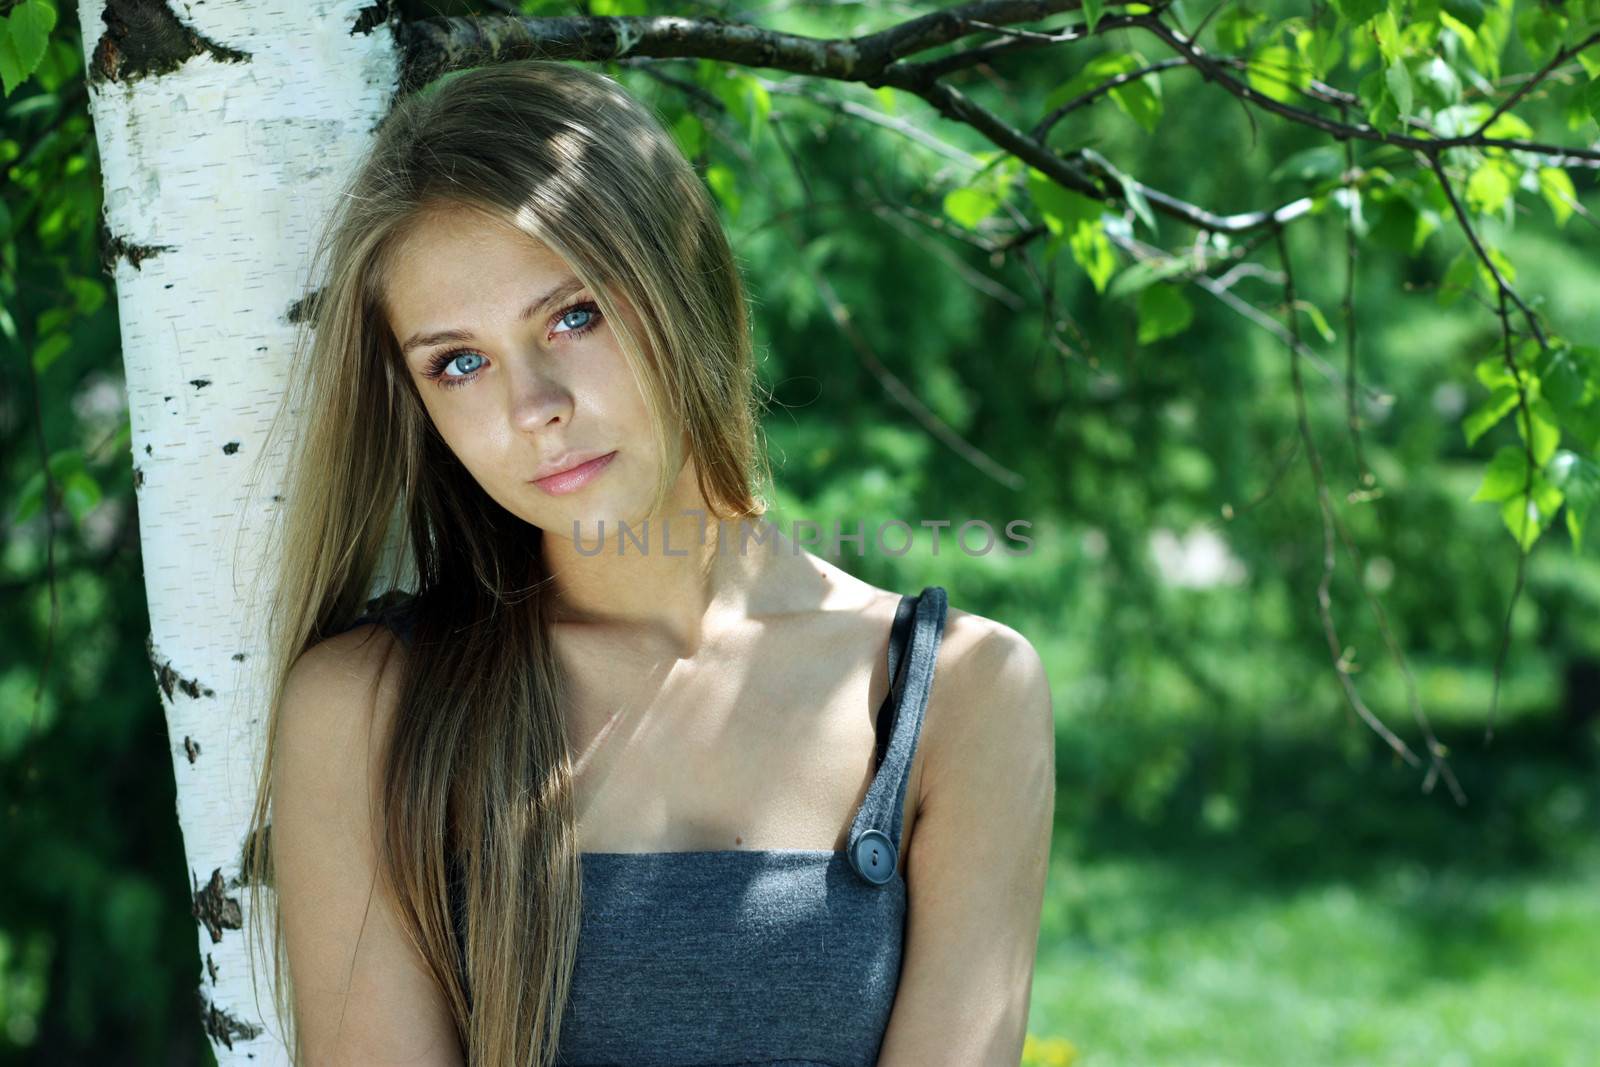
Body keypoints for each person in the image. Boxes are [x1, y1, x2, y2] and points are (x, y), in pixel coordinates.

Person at [241, 59, 1055, 1067]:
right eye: (460, 362)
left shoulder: (955, 697)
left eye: (572, 315)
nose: (532, 403)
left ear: (683, 285)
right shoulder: (366, 708)